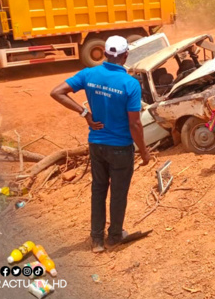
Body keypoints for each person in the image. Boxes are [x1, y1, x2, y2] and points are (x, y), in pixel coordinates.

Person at [50, 36, 150, 253]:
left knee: (98, 190)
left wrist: (85, 113)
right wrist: (144, 152)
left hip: (96, 144)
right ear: (125, 56)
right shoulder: (130, 84)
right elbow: (135, 123)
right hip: (121, 147)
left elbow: (56, 92)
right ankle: (114, 237)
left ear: (105, 54)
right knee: (118, 192)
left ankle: (96, 240)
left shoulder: (88, 74)